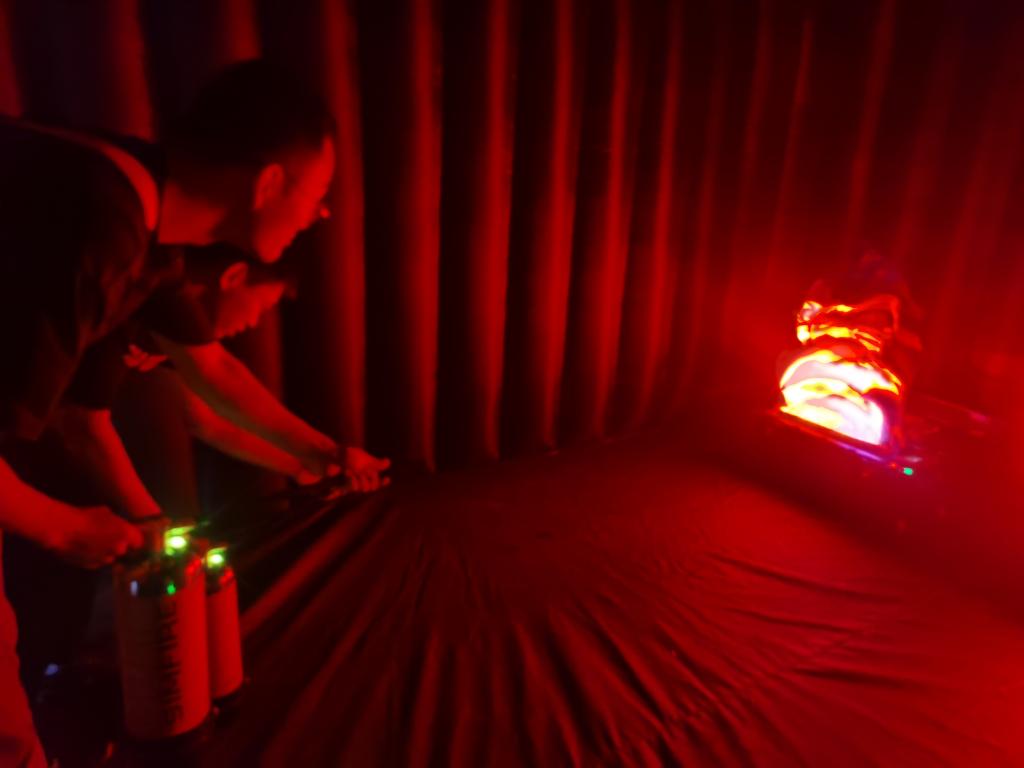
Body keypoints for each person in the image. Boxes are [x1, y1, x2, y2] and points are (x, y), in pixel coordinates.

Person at [0, 60, 388, 765]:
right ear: (268, 183)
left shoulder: (152, 223)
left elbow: (211, 373)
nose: (319, 216)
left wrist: (326, 453)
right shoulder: (95, 224)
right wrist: (63, 528)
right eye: (317, 197)